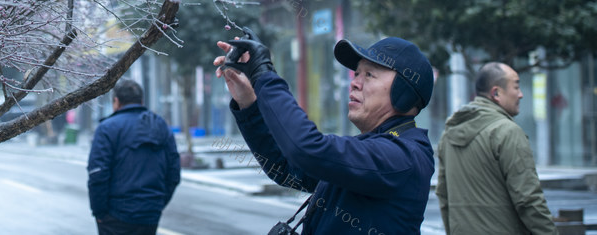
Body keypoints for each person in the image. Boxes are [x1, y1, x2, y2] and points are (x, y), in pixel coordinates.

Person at [215, 30, 435, 234]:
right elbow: (287, 168)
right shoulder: (374, 146)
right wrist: (249, 101)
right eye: (356, 73)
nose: (354, 83)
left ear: (403, 92)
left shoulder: (403, 156)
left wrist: (264, 75)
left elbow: (307, 149)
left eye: (369, 75)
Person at [436, 62, 557, 235]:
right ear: (496, 93)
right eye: (516, 86)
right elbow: (528, 200)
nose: (521, 95)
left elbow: (443, 195)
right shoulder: (507, 132)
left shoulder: (448, 134)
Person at [87, 78, 181, 235]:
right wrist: (157, 204)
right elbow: (174, 172)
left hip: (115, 215)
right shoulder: (160, 125)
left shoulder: (107, 128)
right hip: (150, 213)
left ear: (116, 101)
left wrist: (99, 213)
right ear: (142, 100)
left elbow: (98, 174)